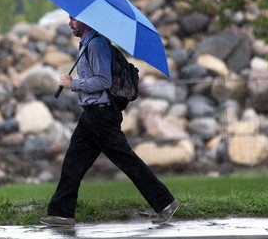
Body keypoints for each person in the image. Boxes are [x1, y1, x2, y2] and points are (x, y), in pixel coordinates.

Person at [40, 16, 179, 227]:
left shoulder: (96, 45)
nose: (70, 24)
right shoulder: (87, 45)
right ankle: (62, 214)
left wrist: (72, 83)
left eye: (73, 20)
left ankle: (165, 203)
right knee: (73, 163)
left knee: (126, 160)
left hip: (102, 115)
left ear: (86, 21)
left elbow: (103, 80)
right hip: (91, 115)